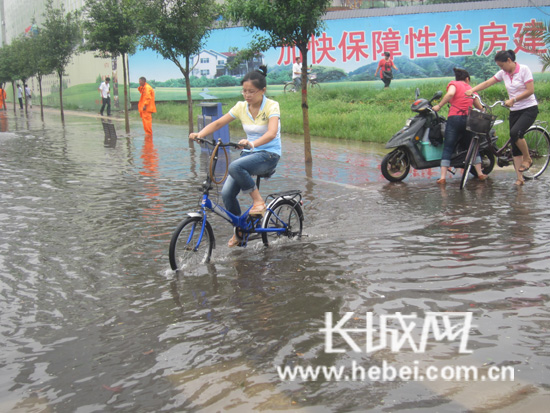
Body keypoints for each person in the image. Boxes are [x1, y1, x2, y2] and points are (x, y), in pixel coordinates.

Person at [189, 66, 281, 248]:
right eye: (244, 91)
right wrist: (200, 134)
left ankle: (258, 201)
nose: (247, 95)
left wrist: (252, 143)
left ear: (263, 91)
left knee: (235, 166)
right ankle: (240, 230)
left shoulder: (272, 106)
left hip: (269, 155)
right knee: (226, 194)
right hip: (250, 154)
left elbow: (271, 133)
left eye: (251, 92)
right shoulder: (241, 107)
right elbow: (218, 122)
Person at [466, 49, 538, 186]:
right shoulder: (503, 73)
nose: (501, 68)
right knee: (514, 142)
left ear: (509, 61)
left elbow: (530, 91)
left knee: (515, 133)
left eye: (502, 65)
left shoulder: (524, 69)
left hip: (529, 109)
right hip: (515, 110)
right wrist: (472, 90)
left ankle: (527, 159)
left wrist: (514, 99)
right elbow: (488, 83)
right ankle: (520, 178)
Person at [433, 68, 486, 185]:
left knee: (448, 146)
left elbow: (451, 93)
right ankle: (480, 173)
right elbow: (478, 106)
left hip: (454, 118)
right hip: (469, 119)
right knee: (473, 146)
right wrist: (483, 110)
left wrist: (439, 106)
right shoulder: (471, 89)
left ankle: (442, 177)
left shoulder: (454, 84)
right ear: (467, 79)